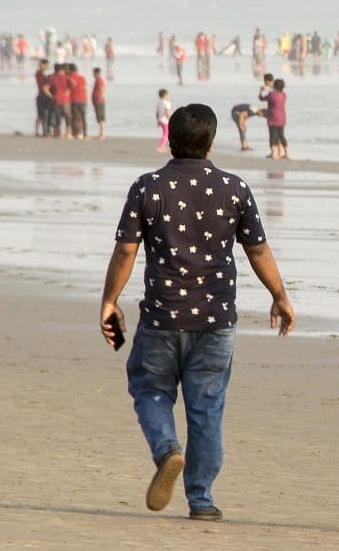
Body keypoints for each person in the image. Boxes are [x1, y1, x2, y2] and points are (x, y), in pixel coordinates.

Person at [100, 103, 294, 522]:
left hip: (161, 318)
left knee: (151, 390)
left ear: (170, 139)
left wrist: (109, 301)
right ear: (210, 141)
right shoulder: (234, 188)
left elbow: (126, 251)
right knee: (207, 408)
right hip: (216, 320)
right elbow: (257, 249)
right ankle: (201, 500)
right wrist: (279, 294)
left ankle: (168, 449)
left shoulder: (146, 187)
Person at [261, 78, 289, 159]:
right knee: (281, 135)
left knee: (273, 135)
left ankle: (274, 153)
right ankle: (286, 153)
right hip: (282, 117)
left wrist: (261, 91)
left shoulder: (271, 94)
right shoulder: (284, 95)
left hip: (273, 117)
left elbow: (262, 98)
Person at [68, 63, 88, 140]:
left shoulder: (69, 78)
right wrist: (86, 100)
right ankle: (83, 133)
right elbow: (84, 88)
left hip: (74, 100)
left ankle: (75, 132)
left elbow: (69, 89)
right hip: (82, 100)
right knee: (82, 118)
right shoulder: (82, 78)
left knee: (74, 118)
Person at [92, 67, 107, 139]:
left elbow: (102, 89)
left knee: (100, 118)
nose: (93, 75)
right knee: (99, 118)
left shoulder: (99, 81)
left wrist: (99, 98)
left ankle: (102, 133)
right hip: (98, 101)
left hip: (99, 102)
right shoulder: (97, 81)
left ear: (96, 73)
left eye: (94, 73)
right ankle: (101, 133)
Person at [156, 89, 171, 153]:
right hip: (165, 120)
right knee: (166, 134)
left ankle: (162, 146)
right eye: (167, 95)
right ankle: (160, 146)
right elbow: (166, 112)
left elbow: (157, 112)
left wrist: (158, 121)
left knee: (165, 133)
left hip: (160, 119)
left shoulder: (159, 103)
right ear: (165, 95)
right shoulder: (166, 103)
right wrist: (170, 119)